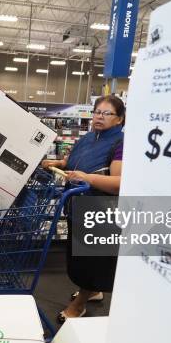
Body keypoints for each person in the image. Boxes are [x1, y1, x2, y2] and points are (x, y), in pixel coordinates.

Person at [41, 95, 125, 323]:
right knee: (81, 257)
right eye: (97, 111)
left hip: (100, 210)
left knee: (92, 262)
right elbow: (72, 162)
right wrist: (57, 164)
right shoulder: (88, 138)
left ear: (119, 119)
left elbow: (119, 183)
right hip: (78, 205)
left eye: (107, 113)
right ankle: (94, 291)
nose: (99, 116)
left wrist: (86, 177)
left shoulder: (121, 144)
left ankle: (79, 306)